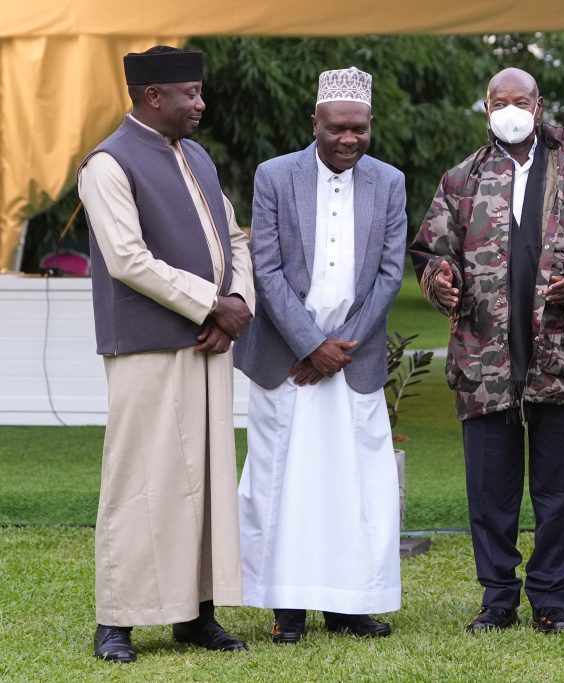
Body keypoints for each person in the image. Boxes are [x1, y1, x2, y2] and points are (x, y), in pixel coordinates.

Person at [409, 67, 564, 634]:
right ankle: (498, 598)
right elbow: (431, 251)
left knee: (561, 488)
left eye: (521, 100)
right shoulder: (461, 178)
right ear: (486, 107)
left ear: (539, 106)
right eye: (498, 101)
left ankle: (552, 600)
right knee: (490, 489)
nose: (510, 109)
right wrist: (439, 278)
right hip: (484, 357)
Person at [77, 45, 254, 663]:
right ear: (153, 97)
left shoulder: (197, 157)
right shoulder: (107, 164)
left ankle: (194, 614)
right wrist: (211, 304)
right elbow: (127, 259)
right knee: (141, 482)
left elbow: (234, 235)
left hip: (208, 344)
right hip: (147, 348)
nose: (201, 103)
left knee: (203, 483)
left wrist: (236, 302)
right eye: (190, 93)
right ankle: (117, 621)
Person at [233, 67, 406, 644]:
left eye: (359, 129)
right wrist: (311, 344)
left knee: (355, 484)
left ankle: (350, 603)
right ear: (315, 123)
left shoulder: (390, 181)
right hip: (286, 358)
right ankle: (287, 608)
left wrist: (339, 348)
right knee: (282, 480)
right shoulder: (274, 175)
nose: (349, 140)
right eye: (337, 129)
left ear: (370, 124)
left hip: (352, 359)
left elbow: (389, 272)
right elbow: (266, 267)